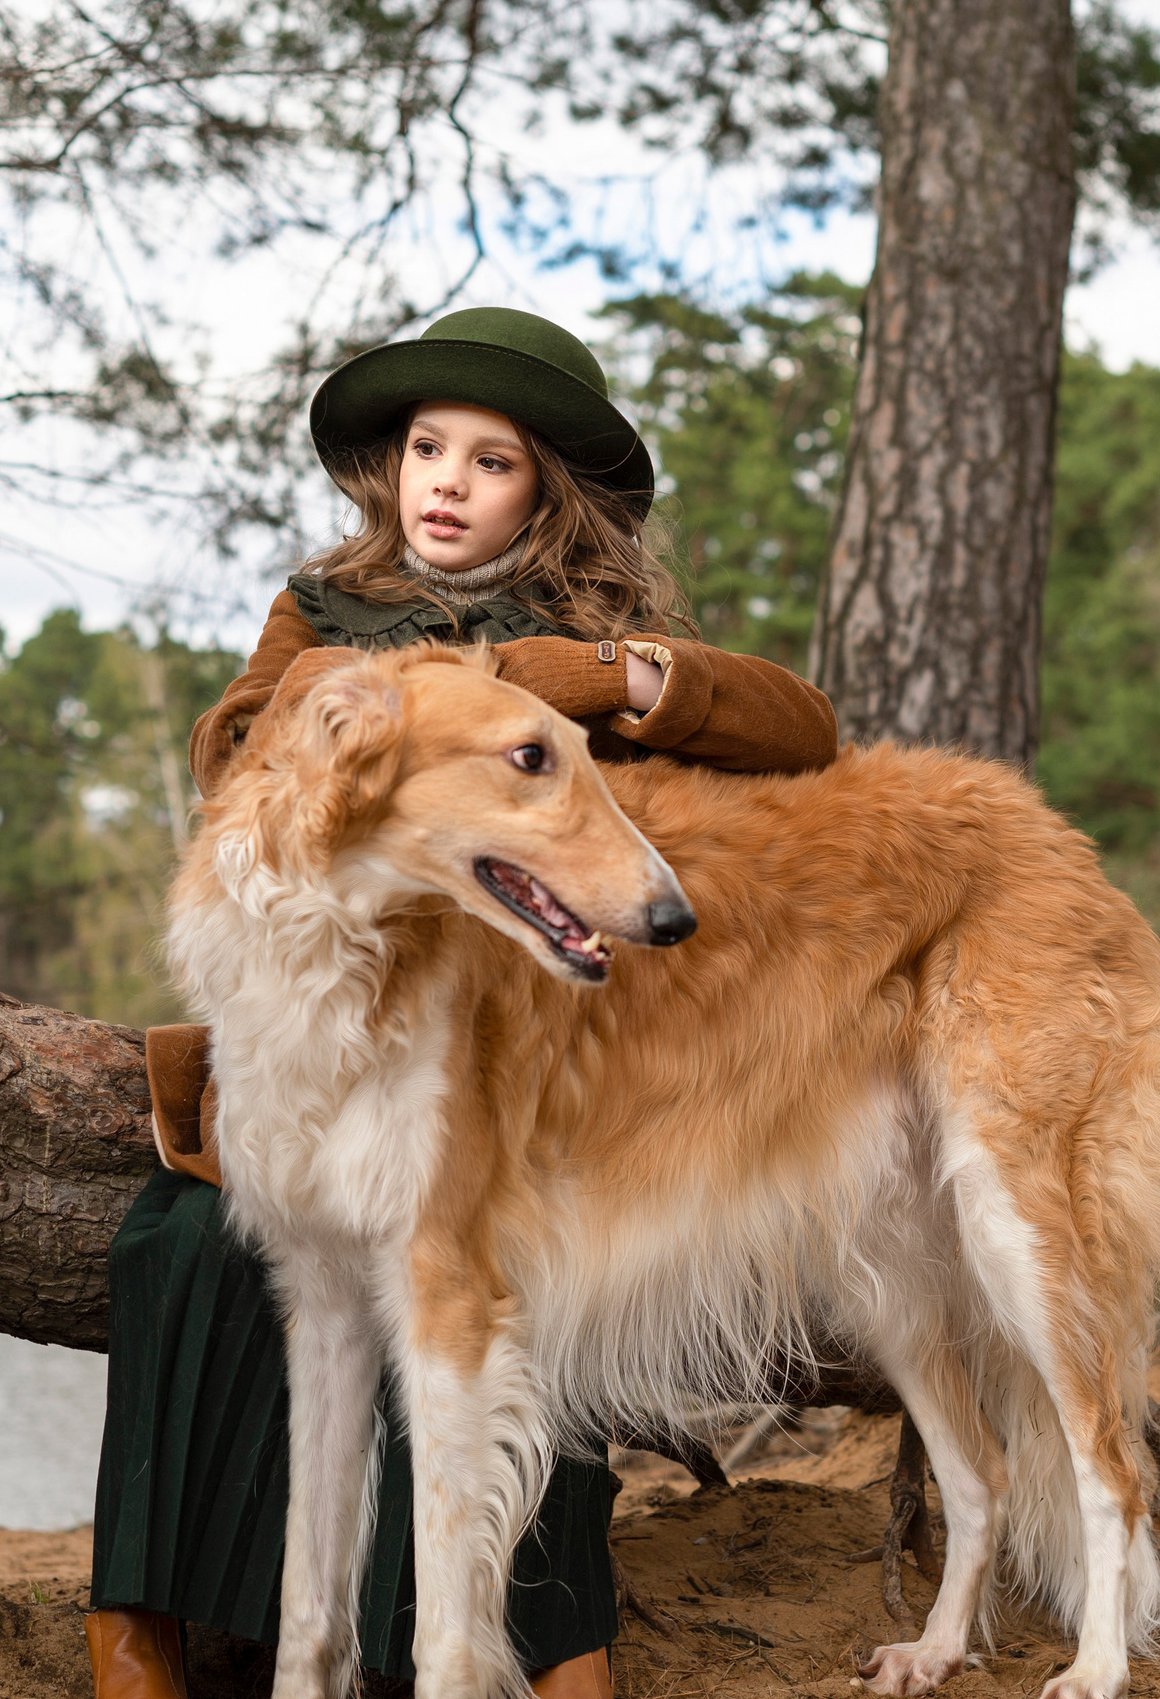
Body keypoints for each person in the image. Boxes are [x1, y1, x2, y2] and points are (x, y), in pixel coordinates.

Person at [85, 306, 839, 1699]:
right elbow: (229, 749)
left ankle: (530, 1648)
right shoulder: (322, 609)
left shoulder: (590, 634)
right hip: (339, 1026)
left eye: (491, 461)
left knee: (500, 1258)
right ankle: (146, 1633)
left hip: (525, 1052)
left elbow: (805, 732)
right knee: (181, 1244)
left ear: (546, 489)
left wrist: (617, 679)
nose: (445, 480)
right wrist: (337, 697)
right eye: (428, 448)